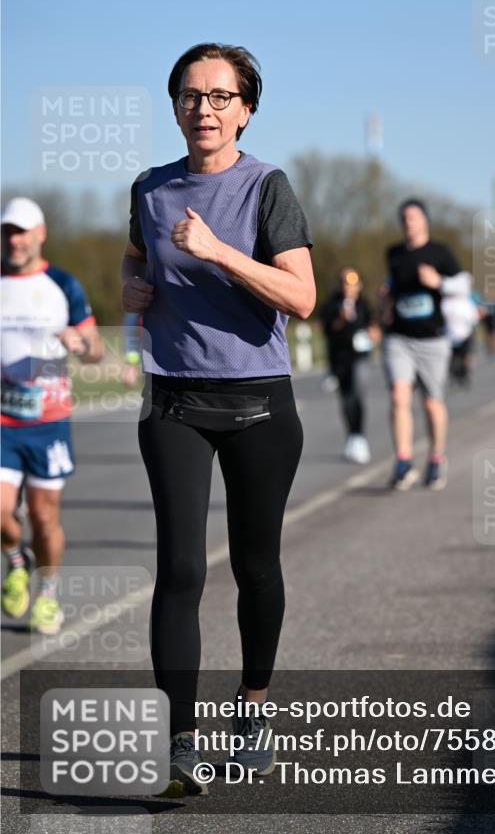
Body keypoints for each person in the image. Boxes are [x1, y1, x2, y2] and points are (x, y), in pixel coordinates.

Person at [121, 43, 315, 795]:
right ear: (174, 105)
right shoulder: (147, 187)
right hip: (172, 398)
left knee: (254, 565)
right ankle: (179, 745)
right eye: (189, 95)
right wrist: (134, 287)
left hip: (260, 402)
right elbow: (136, 260)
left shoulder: (267, 187)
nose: (204, 108)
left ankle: (253, 711)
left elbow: (299, 298)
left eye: (219, 96)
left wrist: (219, 252)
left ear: (245, 109)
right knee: (178, 570)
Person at [1, 197, 103, 634]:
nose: (14, 240)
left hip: (48, 422)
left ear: (40, 233)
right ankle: (15, 559)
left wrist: (79, 346)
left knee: (44, 518)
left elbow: (96, 351)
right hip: (3, 422)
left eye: (22, 231)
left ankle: (47, 591)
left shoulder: (64, 284)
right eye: (8, 231)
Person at [381, 199, 461, 490]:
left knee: (431, 402)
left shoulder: (440, 252)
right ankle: (403, 461)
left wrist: (438, 282)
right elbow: (391, 286)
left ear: (425, 220)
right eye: (404, 218)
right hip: (399, 337)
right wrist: (385, 299)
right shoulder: (394, 253)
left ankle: (436, 458)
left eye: (413, 217)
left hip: (432, 339)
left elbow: (464, 284)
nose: (408, 223)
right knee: (399, 396)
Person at [320, 268, 380, 464]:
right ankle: (352, 436)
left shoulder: (363, 304)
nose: (350, 288)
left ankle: (359, 435)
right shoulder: (332, 305)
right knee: (346, 399)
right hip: (340, 358)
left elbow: (373, 324)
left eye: (353, 284)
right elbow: (327, 329)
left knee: (357, 392)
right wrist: (341, 319)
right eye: (346, 284)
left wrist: (374, 333)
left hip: (359, 357)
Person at [441, 271, 479, 389]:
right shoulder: (445, 302)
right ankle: (455, 375)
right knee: (453, 359)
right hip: (449, 336)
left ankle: (466, 374)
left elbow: (473, 318)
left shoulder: (465, 301)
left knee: (465, 356)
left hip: (465, 334)